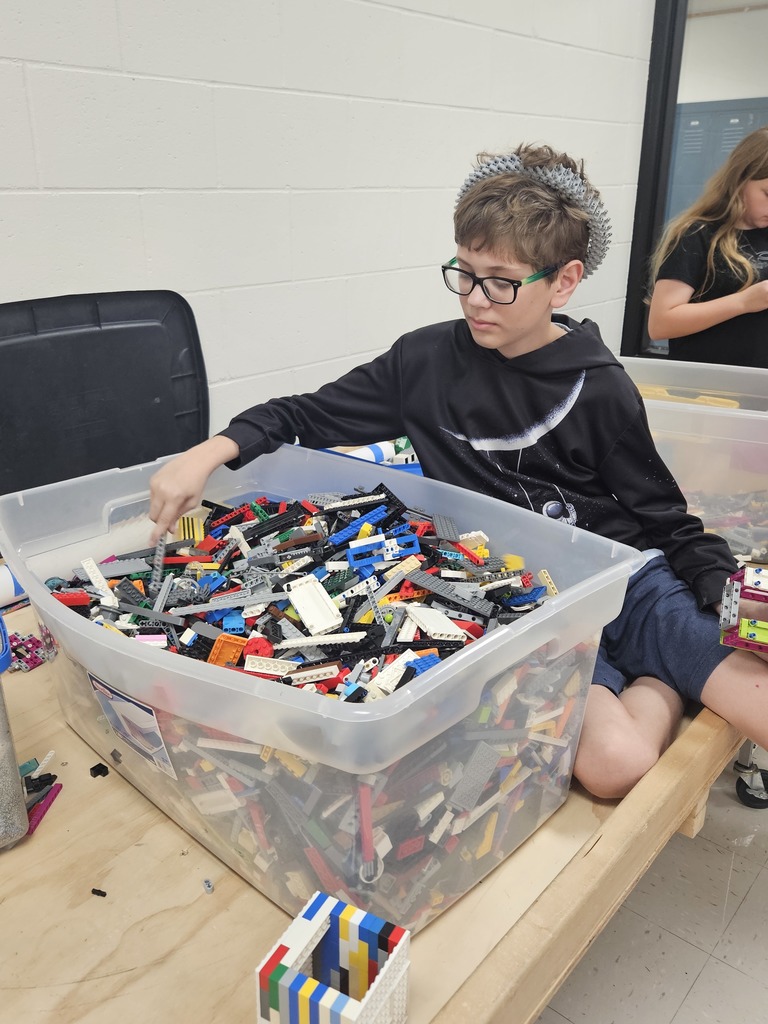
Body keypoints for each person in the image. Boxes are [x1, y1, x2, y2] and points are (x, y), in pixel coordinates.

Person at [149, 142, 768, 800]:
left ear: (563, 281)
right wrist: (208, 450)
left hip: (630, 581)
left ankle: (671, 658)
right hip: (531, 603)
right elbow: (303, 414)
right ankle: (662, 684)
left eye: (501, 281)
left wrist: (742, 608)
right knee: (614, 767)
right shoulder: (422, 364)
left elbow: (669, 523)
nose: (476, 299)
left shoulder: (600, 387)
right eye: (464, 273)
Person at [647, 125, 768, 367]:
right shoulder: (696, 234)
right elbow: (661, 323)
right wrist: (743, 302)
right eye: (767, 194)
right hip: (709, 389)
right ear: (740, 180)